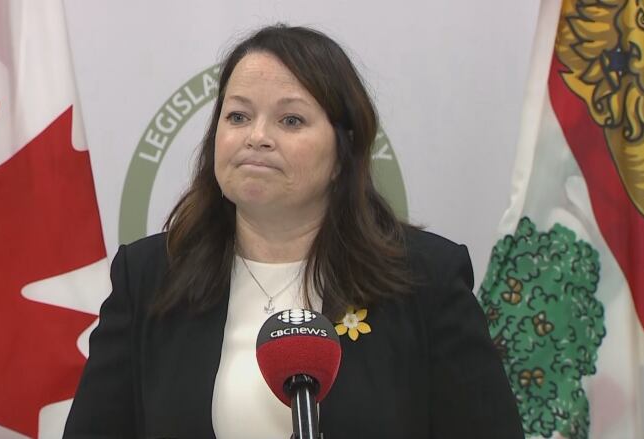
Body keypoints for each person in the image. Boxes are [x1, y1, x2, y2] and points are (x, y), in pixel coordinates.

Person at [63, 24, 524, 439]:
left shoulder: (426, 280)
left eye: (291, 120)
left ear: (343, 152)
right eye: (238, 116)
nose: (256, 137)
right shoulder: (149, 277)